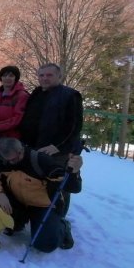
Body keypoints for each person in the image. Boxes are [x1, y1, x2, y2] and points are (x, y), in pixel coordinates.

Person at [0, 137, 83, 252]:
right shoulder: (1, 162)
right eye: (8, 160)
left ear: (21, 150)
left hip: (43, 206)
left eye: (14, 159)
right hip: (19, 203)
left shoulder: (40, 160)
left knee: (44, 244)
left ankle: (63, 226)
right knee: (7, 224)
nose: (11, 163)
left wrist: (74, 172)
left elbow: (71, 187)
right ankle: (18, 222)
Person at [19, 63, 83, 216]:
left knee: (58, 186)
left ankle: (57, 221)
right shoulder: (36, 93)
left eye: (49, 75)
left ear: (59, 76)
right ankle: (34, 216)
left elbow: (74, 125)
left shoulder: (70, 95)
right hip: (34, 148)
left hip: (57, 152)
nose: (44, 78)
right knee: (35, 184)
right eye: (41, 75)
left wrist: (58, 146)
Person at [0, 65, 29, 152]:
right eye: (4, 75)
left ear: (16, 78)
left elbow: (17, 119)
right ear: (1, 78)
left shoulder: (21, 95)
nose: (7, 78)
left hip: (13, 138)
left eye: (11, 75)